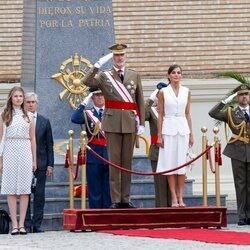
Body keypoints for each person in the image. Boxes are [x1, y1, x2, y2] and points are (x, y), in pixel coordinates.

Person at [82, 43, 145, 208]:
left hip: (130, 122)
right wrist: (97, 65)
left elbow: (140, 99)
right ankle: (116, 199)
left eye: (121, 55)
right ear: (112, 58)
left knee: (127, 163)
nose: (119, 58)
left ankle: (126, 198)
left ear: (126, 56)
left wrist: (142, 122)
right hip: (112, 122)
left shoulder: (134, 75)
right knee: (115, 163)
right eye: (116, 56)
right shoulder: (104, 75)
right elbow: (86, 81)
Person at [208, 84, 250, 226]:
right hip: (237, 151)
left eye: (246, 94)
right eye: (241, 94)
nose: (244, 97)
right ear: (237, 97)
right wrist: (226, 101)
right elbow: (213, 113)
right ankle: (242, 216)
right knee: (240, 185)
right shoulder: (231, 112)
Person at [0, 86, 36, 235]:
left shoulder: (29, 115)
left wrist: (34, 160)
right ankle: (14, 224)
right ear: (11, 98)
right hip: (9, 149)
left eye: (20, 96)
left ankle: (22, 225)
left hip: (25, 150)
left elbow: (32, 138)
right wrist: (1, 159)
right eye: (15, 96)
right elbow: (0, 137)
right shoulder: (4, 115)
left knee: (24, 190)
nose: (18, 99)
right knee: (11, 190)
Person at [156, 64, 194, 207]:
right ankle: (173, 197)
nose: (176, 75)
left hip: (183, 128)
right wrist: (159, 135)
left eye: (179, 73)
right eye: (173, 73)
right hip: (169, 128)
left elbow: (188, 113)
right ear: (168, 75)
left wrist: (191, 133)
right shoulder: (163, 92)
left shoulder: (186, 91)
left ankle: (181, 196)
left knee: (181, 164)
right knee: (170, 163)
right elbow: (160, 115)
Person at [71, 88, 111, 208]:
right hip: (94, 154)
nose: (100, 97)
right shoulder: (88, 113)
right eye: (96, 95)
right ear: (92, 97)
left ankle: (108, 217)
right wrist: (84, 102)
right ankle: (95, 218)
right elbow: (75, 118)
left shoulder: (111, 111)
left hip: (109, 153)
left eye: (102, 95)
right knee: (94, 188)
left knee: (108, 187)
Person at [24, 92, 54, 233]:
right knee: (25, 194)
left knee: (39, 195)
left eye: (33, 102)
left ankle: (37, 225)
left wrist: (50, 164)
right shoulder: (20, 120)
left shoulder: (44, 121)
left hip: (41, 163)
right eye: (28, 102)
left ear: (37, 104)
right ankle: (26, 224)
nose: (30, 104)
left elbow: (49, 144)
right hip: (23, 162)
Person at [145, 82, 171, 207]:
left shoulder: (174, 110)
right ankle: (162, 210)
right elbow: (141, 115)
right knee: (160, 184)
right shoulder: (152, 111)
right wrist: (150, 99)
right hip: (158, 150)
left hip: (173, 149)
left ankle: (174, 209)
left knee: (174, 181)